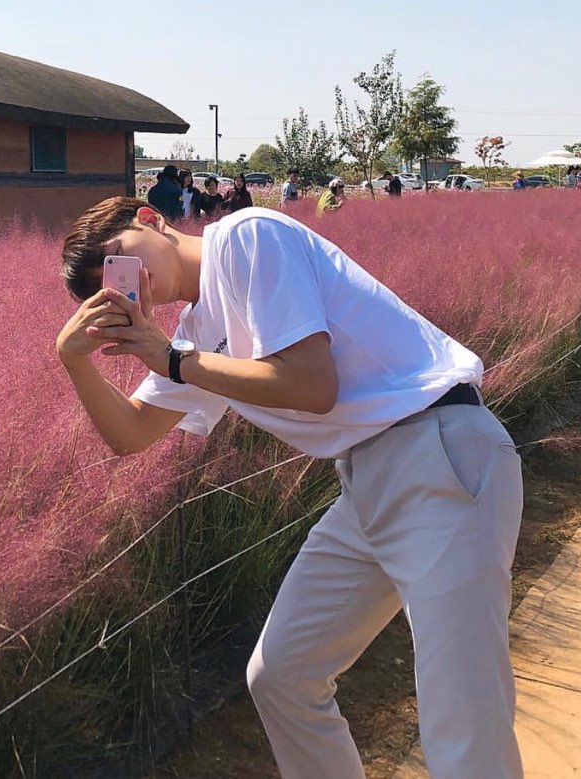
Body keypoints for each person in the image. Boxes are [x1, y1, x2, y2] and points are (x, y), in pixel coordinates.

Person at [57, 198, 524, 779]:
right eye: (111, 283)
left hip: (438, 449)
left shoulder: (248, 237)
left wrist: (172, 360)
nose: (133, 280)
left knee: (463, 719)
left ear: (149, 218)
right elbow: (130, 434)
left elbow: (311, 384)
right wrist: (74, 361)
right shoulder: (194, 331)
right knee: (280, 677)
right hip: (366, 481)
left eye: (119, 259)